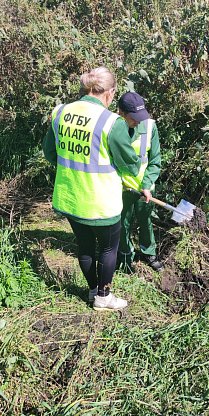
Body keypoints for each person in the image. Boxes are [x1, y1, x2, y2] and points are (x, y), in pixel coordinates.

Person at [42, 67, 141, 311]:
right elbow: (130, 164)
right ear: (110, 93)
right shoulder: (111, 122)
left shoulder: (60, 112)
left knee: (84, 247)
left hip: (70, 197)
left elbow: (49, 153)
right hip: (101, 201)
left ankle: (92, 291)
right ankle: (103, 298)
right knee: (108, 248)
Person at [117, 92, 163, 272]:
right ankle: (125, 254)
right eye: (133, 117)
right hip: (121, 187)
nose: (138, 121)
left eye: (140, 116)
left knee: (145, 221)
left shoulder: (150, 127)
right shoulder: (112, 127)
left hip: (145, 188)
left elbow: (155, 161)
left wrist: (146, 185)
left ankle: (149, 252)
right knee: (122, 223)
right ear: (121, 113)